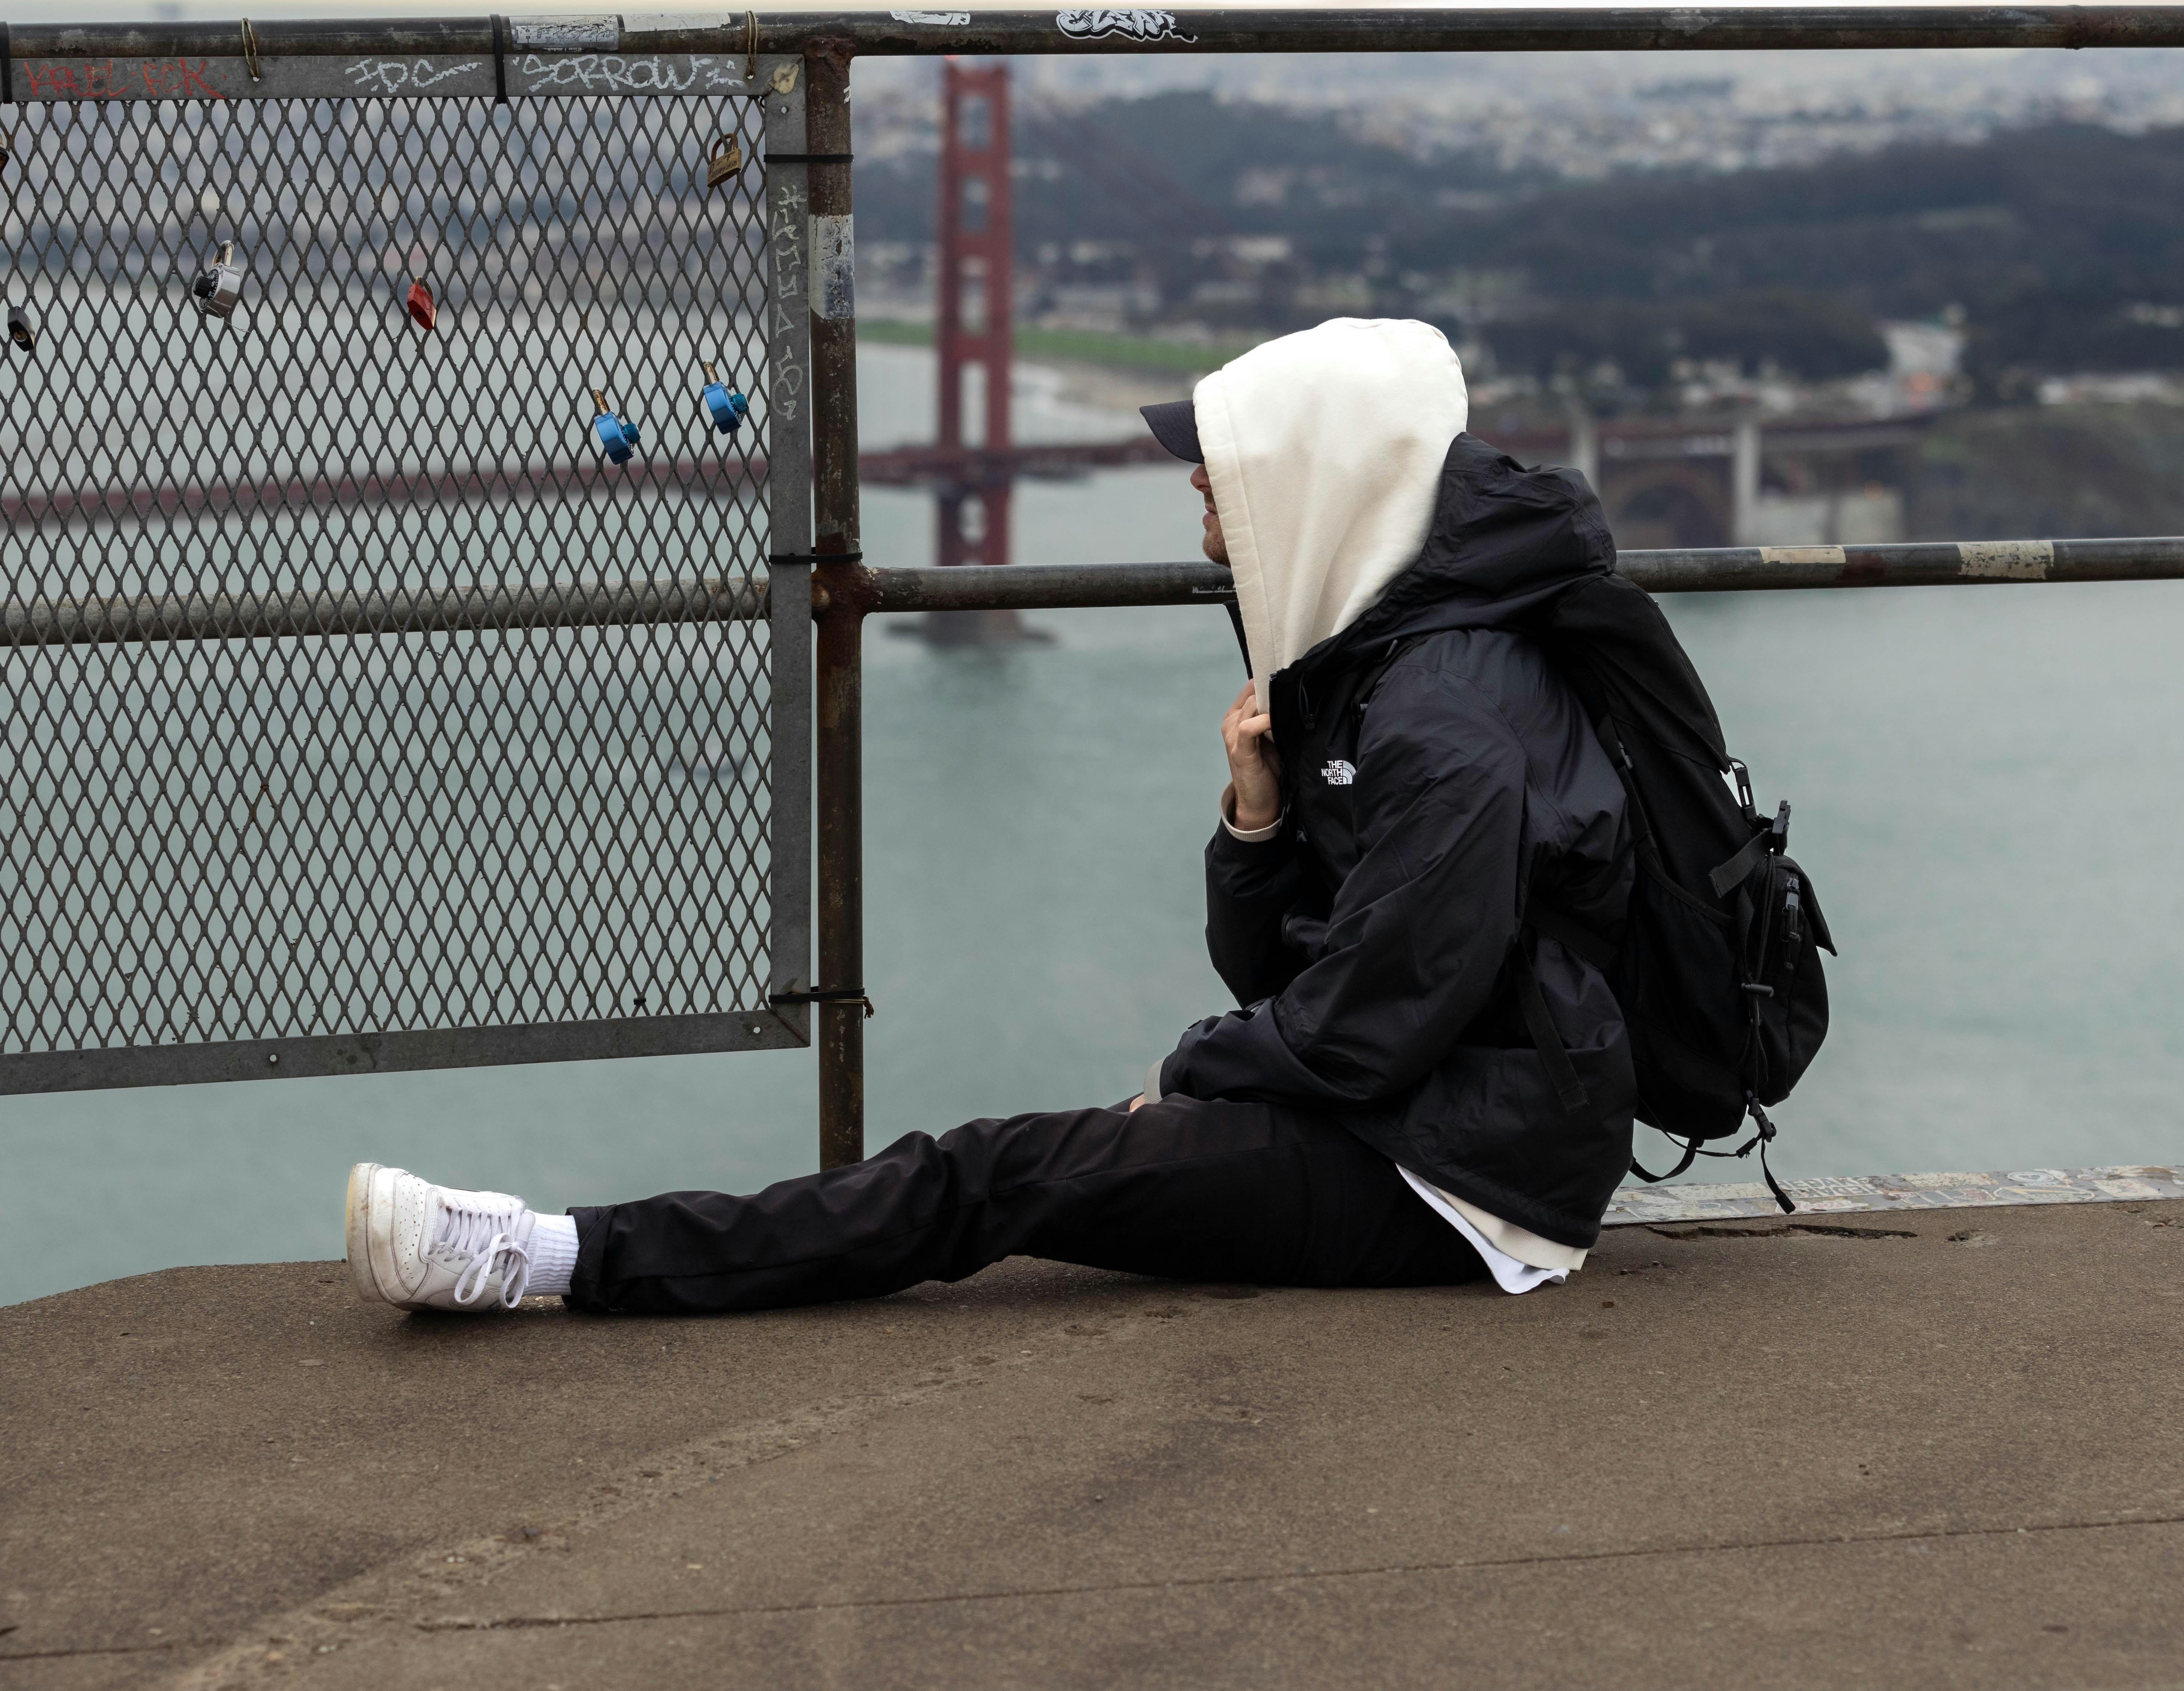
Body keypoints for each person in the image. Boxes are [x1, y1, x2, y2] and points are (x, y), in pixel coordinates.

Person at [346, 318, 1638, 1316]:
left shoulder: (1441, 720)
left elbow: (1362, 1024)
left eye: (1225, 464)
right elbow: (1293, 982)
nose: (1198, 486)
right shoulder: (1378, 662)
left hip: (1458, 1181)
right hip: (1424, 1120)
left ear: (1313, 481)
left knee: (990, 1171)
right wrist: (1256, 825)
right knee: (1027, 1163)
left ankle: (541, 1254)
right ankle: (569, 1248)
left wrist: (1182, 1081)